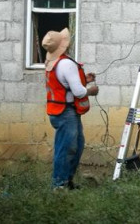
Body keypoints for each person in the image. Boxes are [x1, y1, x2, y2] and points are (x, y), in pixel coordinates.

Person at [42, 27, 99, 190]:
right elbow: (78, 92)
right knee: (66, 148)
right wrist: (90, 90)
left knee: (76, 145)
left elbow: (63, 85)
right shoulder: (66, 64)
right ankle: (59, 186)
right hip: (66, 112)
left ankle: (67, 182)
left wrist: (84, 79)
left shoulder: (54, 63)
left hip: (59, 111)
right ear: (64, 45)